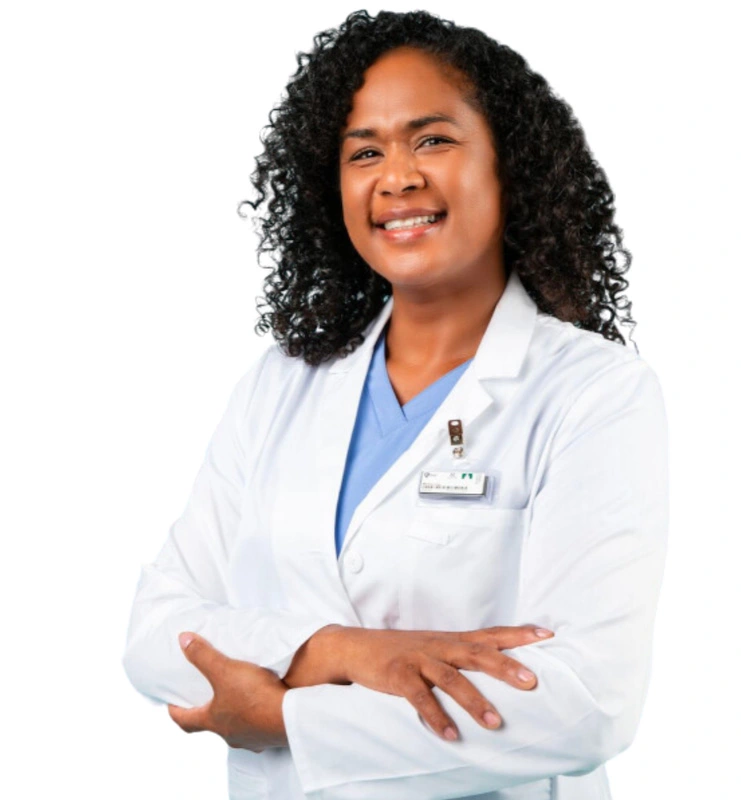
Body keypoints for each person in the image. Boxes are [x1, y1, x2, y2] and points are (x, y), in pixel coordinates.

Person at [123, 9, 668, 800]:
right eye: (365, 152)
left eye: (433, 140)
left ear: (508, 164)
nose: (398, 176)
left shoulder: (593, 394)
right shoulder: (282, 384)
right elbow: (157, 629)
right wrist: (340, 651)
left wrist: (283, 718)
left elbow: (586, 706)